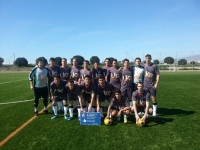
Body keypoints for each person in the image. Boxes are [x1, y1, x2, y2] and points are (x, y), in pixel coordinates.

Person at [144, 54, 160, 119]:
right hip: (145, 85)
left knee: (153, 98)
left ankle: (154, 113)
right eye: (146, 58)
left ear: (151, 58)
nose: (147, 59)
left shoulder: (154, 66)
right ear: (145, 59)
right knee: (146, 99)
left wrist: (156, 84)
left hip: (152, 85)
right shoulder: (144, 66)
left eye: (148, 58)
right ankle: (146, 112)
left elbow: (158, 75)